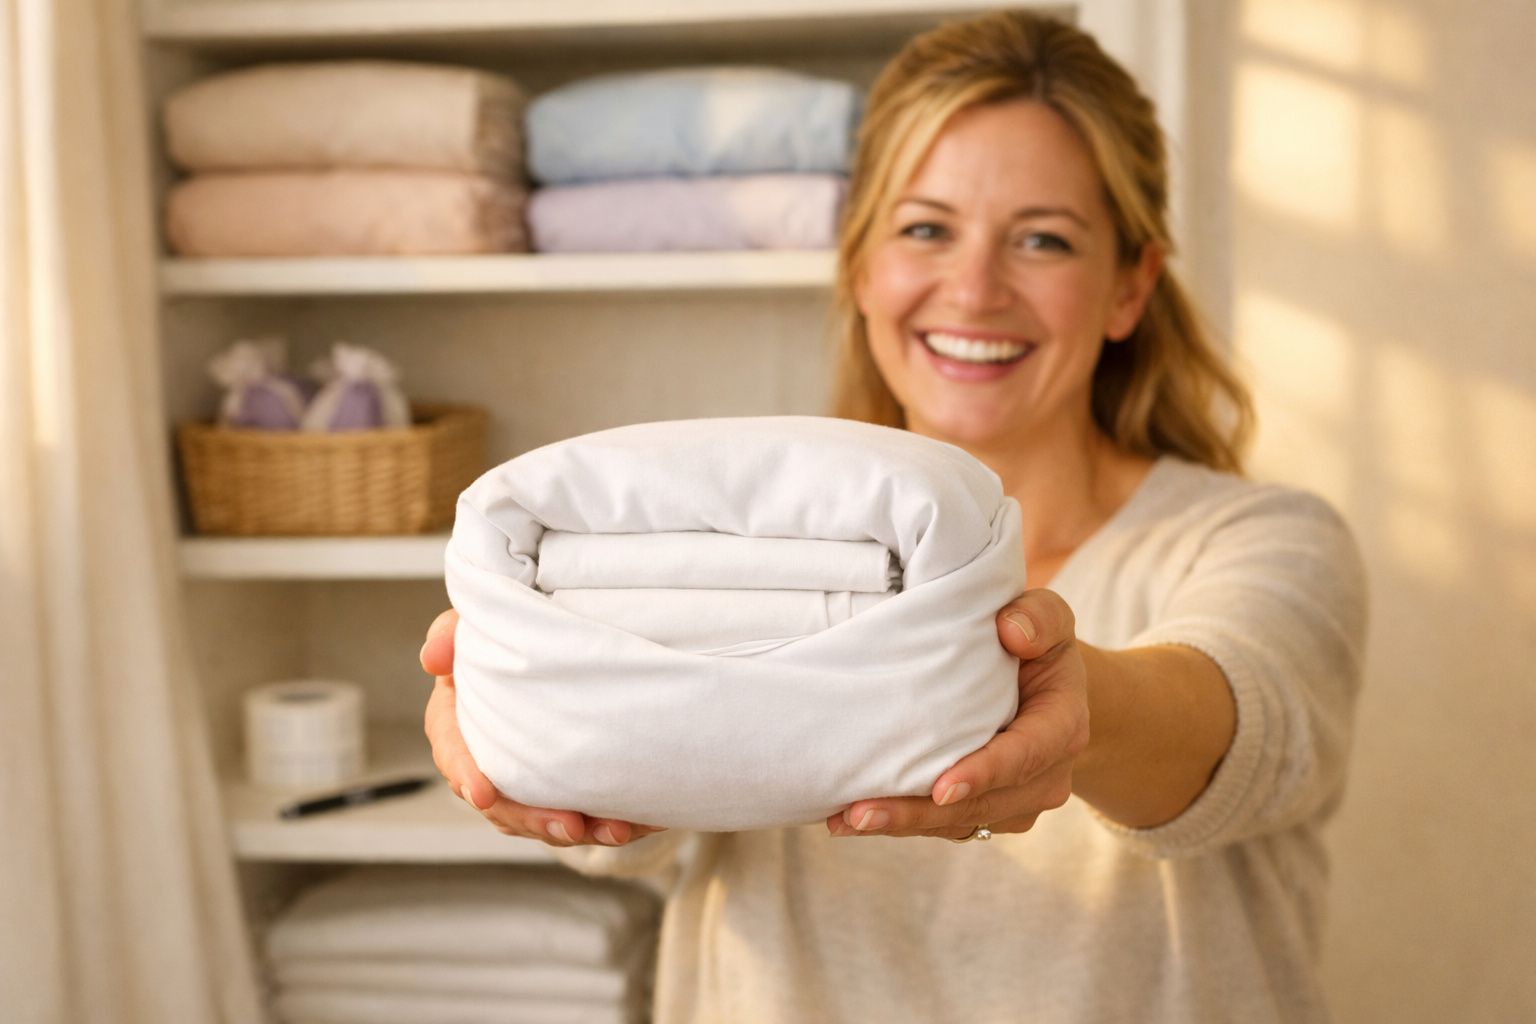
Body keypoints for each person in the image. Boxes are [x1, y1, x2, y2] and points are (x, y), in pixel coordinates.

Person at [419, 9, 1367, 1022]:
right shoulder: (738, 554)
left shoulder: (1264, 541)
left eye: (1043, 240)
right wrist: (532, 717)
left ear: (1130, 286)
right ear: (861, 261)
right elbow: (644, 806)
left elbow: (1234, 728)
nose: (974, 288)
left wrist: (1071, 701)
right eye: (925, 228)